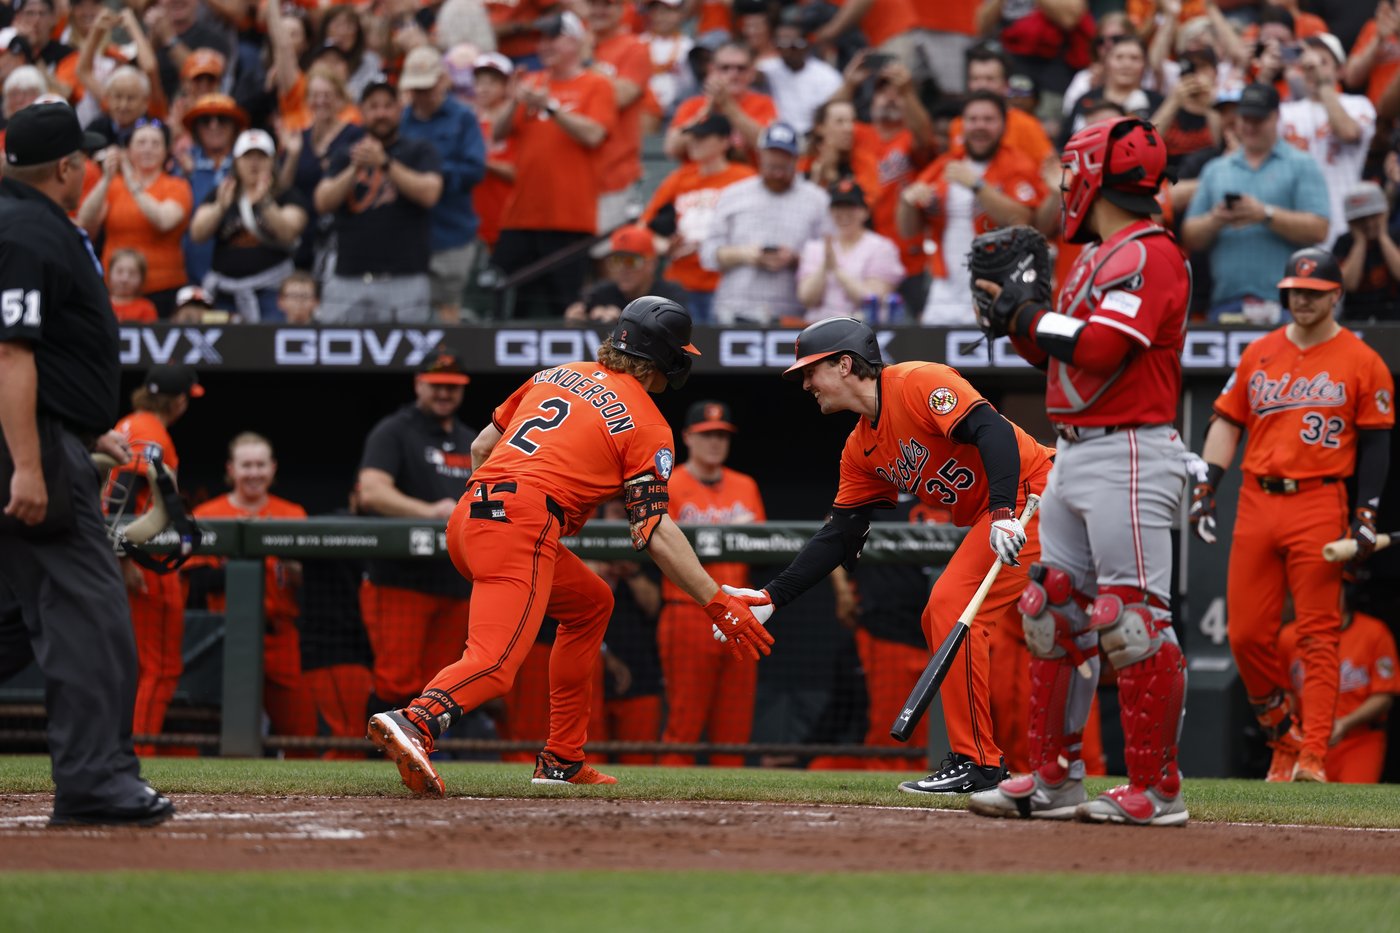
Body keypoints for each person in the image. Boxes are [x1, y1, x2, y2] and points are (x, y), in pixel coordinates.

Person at [366, 297, 774, 796]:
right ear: (666, 359)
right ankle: (416, 720)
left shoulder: (556, 373)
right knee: (495, 664)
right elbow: (653, 530)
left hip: (470, 514)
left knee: (591, 603)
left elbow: (480, 447)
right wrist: (716, 601)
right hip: (522, 523)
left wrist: (496, 513)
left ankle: (562, 757)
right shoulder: (649, 423)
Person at [968, 116, 1192, 826]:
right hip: (1074, 448)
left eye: (1072, 172)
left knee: (1132, 621)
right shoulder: (1096, 256)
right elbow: (1059, 354)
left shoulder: (1151, 252)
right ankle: (1053, 778)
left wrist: (1027, 315)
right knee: (1052, 612)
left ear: (1097, 174)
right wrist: (1016, 320)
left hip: (1130, 449)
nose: (1065, 186)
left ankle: (1157, 789)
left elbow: (1098, 348)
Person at [721, 316, 1053, 794]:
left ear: (845, 364)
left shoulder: (916, 381)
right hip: (1006, 510)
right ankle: (984, 761)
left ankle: (978, 762)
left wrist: (1002, 511)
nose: (806, 384)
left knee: (950, 608)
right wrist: (774, 595)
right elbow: (840, 533)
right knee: (952, 614)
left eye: (811, 371)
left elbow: (992, 431)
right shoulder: (861, 447)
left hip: (1035, 494)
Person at [0, 101, 173, 826]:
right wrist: (30, 462)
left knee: (14, 620)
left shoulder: (21, 221)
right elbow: (11, 353)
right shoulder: (28, 228)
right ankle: (95, 780)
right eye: (87, 159)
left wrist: (85, 424)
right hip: (28, 447)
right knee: (91, 618)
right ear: (67, 168)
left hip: (44, 431)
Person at [1189, 247, 1394, 783]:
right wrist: (1208, 483)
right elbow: (1227, 420)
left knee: (1318, 635)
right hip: (1257, 496)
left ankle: (1311, 756)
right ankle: (1285, 734)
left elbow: (1377, 443)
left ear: (1336, 295)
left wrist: (1366, 511)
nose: (1302, 300)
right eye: (1295, 292)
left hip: (1320, 499)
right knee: (1245, 635)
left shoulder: (1362, 359)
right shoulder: (1260, 351)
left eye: (1314, 292)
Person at [356, 348, 476, 717]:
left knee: (441, 686)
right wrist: (430, 512)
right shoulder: (395, 430)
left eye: (452, 386)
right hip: (401, 580)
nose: (444, 393)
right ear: (418, 384)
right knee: (396, 681)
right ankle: (382, 750)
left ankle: (424, 748)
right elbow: (371, 491)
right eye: (436, 385)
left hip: (455, 581)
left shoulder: (470, 439)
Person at [188, 433, 318, 754]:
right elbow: (196, 582)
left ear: (273, 468)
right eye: (246, 465)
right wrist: (248, 553)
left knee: (301, 731)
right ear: (231, 469)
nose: (254, 472)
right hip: (223, 638)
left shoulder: (292, 513)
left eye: (261, 465)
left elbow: (312, 582)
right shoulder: (206, 513)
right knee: (218, 732)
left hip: (279, 635)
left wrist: (293, 566)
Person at [658, 400, 766, 768]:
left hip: (740, 613)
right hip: (687, 612)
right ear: (687, 437)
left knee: (734, 727)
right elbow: (661, 548)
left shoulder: (745, 485)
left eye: (721, 435)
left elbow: (762, 550)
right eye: (706, 435)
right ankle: (666, 798)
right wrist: (731, 528)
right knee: (684, 722)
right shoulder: (669, 484)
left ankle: (730, 801)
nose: (715, 442)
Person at [491, 11, 615, 318]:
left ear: (574, 41)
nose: (544, 45)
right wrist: (514, 100)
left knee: (566, 307)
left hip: (569, 217)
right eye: (541, 39)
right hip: (522, 216)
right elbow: (498, 132)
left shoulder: (596, 84)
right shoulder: (531, 82)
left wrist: (549, 106)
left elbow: (594, 134)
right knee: (511, 308)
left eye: (552, 38)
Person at [1181, 83, 1330, 323]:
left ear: (1276, 116)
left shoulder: (1302, 164)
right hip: (1227, 302)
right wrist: (1216, 219)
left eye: (1258, 119)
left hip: (1287, 304)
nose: (1250, 126)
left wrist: (1266, 214)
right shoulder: (1216, 169)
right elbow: (1190, 236)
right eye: (1245, 118)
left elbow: (1319, 228)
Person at [111, 364, 201, 757]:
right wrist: (123, 558)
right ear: (178, 400)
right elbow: (122, 494)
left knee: (136, 664)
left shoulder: (129, 422)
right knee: (160, 666)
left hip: (129, 553)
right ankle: (137, 757)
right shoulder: (150, 431)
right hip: (142, 556)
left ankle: (124, 753)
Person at [897, 92, 1046, 326]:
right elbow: (908, 230)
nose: (980, 126)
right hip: (944, 293)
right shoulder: (944, 165)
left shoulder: (1018, 164)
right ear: (962, 124)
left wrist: (977, 186)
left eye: (988, 119)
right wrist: (907, 202)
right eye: (973, 119)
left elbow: (1023, 220)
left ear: (1003, 125)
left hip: (998, 291)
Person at [314, 75, 444, 324]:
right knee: (340, 347)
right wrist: (355, 168)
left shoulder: (419, 150)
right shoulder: (346, 154)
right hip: (349, 277)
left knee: (408, 348)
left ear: (399, 109)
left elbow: (430, 194)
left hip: (405, 278)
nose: (381, 113)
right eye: (373, 107)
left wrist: (384, 163)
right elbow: (322, 201)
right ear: (362, 111)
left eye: (387, 106)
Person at [700, 121, 829, 325]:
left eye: (784, 164)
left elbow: (831, 256)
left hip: (791, 313)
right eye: (772, 163)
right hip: (734, 309)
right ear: (761, 155)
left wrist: (795, 259)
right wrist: (746, 254)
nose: (777, 170)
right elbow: (708, 254)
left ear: (796, 159)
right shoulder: (734, 194)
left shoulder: (817, 199)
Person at [639, 112, 755, 324]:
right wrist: (664, 245)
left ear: (724, 141)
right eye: (692, 137)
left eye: (702, 137)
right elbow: (644, 227)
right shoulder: (680, 178)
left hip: (726, 283)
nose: (693, 142)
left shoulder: (744, 177)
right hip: (681, 282)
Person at [398, 45, 486, 322]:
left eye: (426, 88)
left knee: (448, 310)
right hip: (408, 233)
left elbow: (475, 169)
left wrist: (433, 174)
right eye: (416, 89)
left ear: (442, 82)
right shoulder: (401, 120)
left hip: (451, 230)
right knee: (408, 312)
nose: (421, 96)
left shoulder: (463, 118)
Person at [1279, 589, 1399, 783]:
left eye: (1335, 589)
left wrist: (1345, 723)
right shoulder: (1289, 636)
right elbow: (1286, 693)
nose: (1327, 596)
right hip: (1305, 738)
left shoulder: (1374, 632)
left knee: (1354, 799)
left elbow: (1384, 695)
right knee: (1302, 800)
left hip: (1359, 739)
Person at [77, 119, 193, 319]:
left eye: (155, 143)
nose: (148, 149)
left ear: (166, 151)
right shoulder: (114, 185)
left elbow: (163, 221)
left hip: (162, 287)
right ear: (128, 150)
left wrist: (131, 180)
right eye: (141, 143)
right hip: (115, 287)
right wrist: (106, 179)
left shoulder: (177, 186)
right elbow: (85, 222)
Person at [190, 129, 308, 322]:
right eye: (248, 157)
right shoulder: (223, 193)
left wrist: (266, 203)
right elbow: (197, 234)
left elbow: (289, 233)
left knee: (270, 339)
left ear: (272, 161)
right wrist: (219, 207)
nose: (254, 163)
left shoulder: (286, 195)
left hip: (272, 291)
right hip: (225, 293)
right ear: (236, 162)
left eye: (261, 157)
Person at [1279, 35, 1376, 246]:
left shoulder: (1358, 104)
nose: (1313, 68)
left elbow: (1348, 132)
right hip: (1296, 228)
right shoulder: (1284, 112)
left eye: (1323, 62)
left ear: (1340, 70)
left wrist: (1323, 84)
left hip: (1344, 226)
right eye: (1308, 64)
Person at [796, 180, 904, 322]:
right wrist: (825, 266)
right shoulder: (816, 247)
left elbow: (872, 299)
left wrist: (837, 270)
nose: (843, 214)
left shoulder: (882, 247)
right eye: (838, 208)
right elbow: (806, 299)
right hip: (819, 326)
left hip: (862, 328)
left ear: (865, 212)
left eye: (851, 207)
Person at [664, 40, 777, 164]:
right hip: (697, 174)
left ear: (752, 72)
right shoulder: (692, 105)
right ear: (712, 70)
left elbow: (766, 145)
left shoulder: (764, 103)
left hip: (747, 173)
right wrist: (707, 111)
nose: (733, 74)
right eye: (725, 68)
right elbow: (672, 149)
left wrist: (727, 106)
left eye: (741, 68)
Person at [176, 93, 246, 287]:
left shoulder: (248, 161)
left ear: (234, 126)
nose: (214, 126)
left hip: (237, 271)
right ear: (196, 128)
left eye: (222, 119)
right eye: (205, 120)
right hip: (190, 268)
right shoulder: (181, 163)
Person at [565, 224, 686, 325]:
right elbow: (577, 312)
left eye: (631, 261)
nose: (623, 269)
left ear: (652, 264)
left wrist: (623, 321)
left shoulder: (669, 298)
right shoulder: (600, 294)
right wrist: (579, 320)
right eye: (617, 260)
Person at [757, 8, 842, 136]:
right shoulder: (767, 69)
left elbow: (828, 114)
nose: (788, 51)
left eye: (794, 45)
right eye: (782, 45)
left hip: (813, 135)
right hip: (778, 135)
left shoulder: (827, 76)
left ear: (806, 45)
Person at [1335, 181, 1400, 322]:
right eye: (1361, 219)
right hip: (1355, 317)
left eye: (1374, 216)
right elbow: (1349, 284)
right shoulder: (1344, 243)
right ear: (1350, 221)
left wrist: (1383, 236)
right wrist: (1360, 242)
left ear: (1384, 213)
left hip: (1394, 316)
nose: (1369, 224)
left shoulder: (1396, 235)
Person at [106, 249, 158, 323]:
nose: (124, 279)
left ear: (141, 278)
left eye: (132, 273)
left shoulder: (146, 308)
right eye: (119, 271)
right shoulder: (100, 304)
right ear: (109, 273)